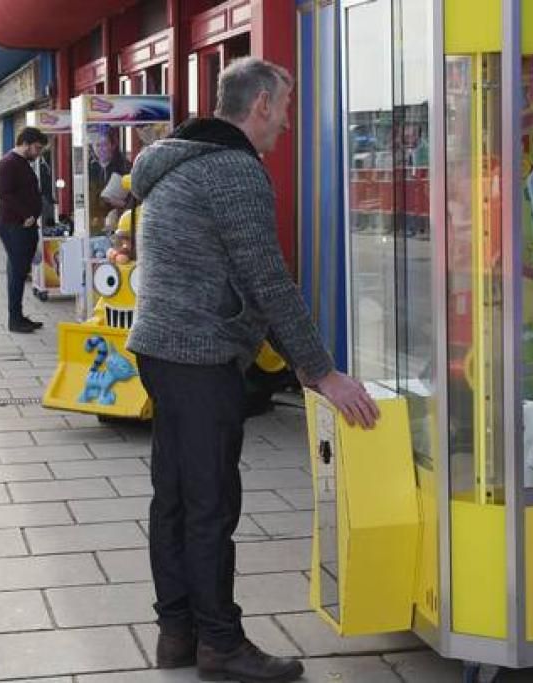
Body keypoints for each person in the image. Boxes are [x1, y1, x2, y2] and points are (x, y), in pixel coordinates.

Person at [127, 57, 380, 683]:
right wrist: (322, 373)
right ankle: (220, 642)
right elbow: (269, 280)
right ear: (261, 104)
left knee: (178, 498)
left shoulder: (177, 159)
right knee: (210, 501)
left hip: (161, 345)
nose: (287, 124)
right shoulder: (232, 170)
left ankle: (177, 632)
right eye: (285, 109)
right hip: (199, 351)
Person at [0, 127, 48, 334]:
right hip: (14, 225)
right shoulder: (8, 163)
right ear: (25, 143)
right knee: (17, 273)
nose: (38, 153)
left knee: (18, 271)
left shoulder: (22, 163)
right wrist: (26, 214)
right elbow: (4, 193)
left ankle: (18, 316)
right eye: (36, 148)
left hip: (23, 224)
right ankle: (15, 320)